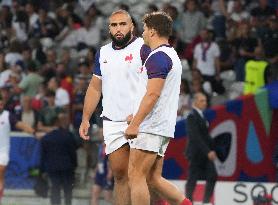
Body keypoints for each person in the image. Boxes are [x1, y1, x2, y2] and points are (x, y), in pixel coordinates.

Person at [79, 10, 151, 205]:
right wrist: (85, 118)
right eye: (114, 25)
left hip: (140, 120)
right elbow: (95, 87)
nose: (118, 29)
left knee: (140, 176)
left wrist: (142, 114)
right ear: (109, 28)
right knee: (119, 176)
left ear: (131, 26)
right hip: (112, 121)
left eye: (122, 24)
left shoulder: (144, 48)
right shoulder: (102, 53)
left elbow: (157, 83)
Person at [125, 12, 191, 205]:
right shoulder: (170, 55)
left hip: (150, 127)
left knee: (136, 175)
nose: (143, 32)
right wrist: (136, 116)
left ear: (153, 31)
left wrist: (135, 124)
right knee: (153, 179)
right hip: (161, 126)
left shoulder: (158, 57)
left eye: (145, 29)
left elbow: (153, 94)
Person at [0, 93, 35, 204]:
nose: (1, 106)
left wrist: (33, 132)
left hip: (2, 152)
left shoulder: (7, 115)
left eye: (2, 104)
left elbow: (21, 125)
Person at [185, 92, 217, 204]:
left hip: (205, 153)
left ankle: (206, 202)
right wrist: (208, 151)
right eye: (202, 100)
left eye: (205, 100)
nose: (205, 103)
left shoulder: (202, 116)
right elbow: (195, 137)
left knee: (212, 175)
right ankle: (188, 202)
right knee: (192, 179)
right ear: (195, 102)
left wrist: (213, 149)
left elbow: (206, 136)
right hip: (196, 153)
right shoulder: (191, 116)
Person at [41, 112, 78, 205]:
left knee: (55, 189)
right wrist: (74, 165)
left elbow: (43, 156)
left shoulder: (46, 138)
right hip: (67, 167)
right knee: (67, 191)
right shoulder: (67, 135)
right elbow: (73, 152)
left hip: (52, 168)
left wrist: (42, 170)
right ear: (58, 123)